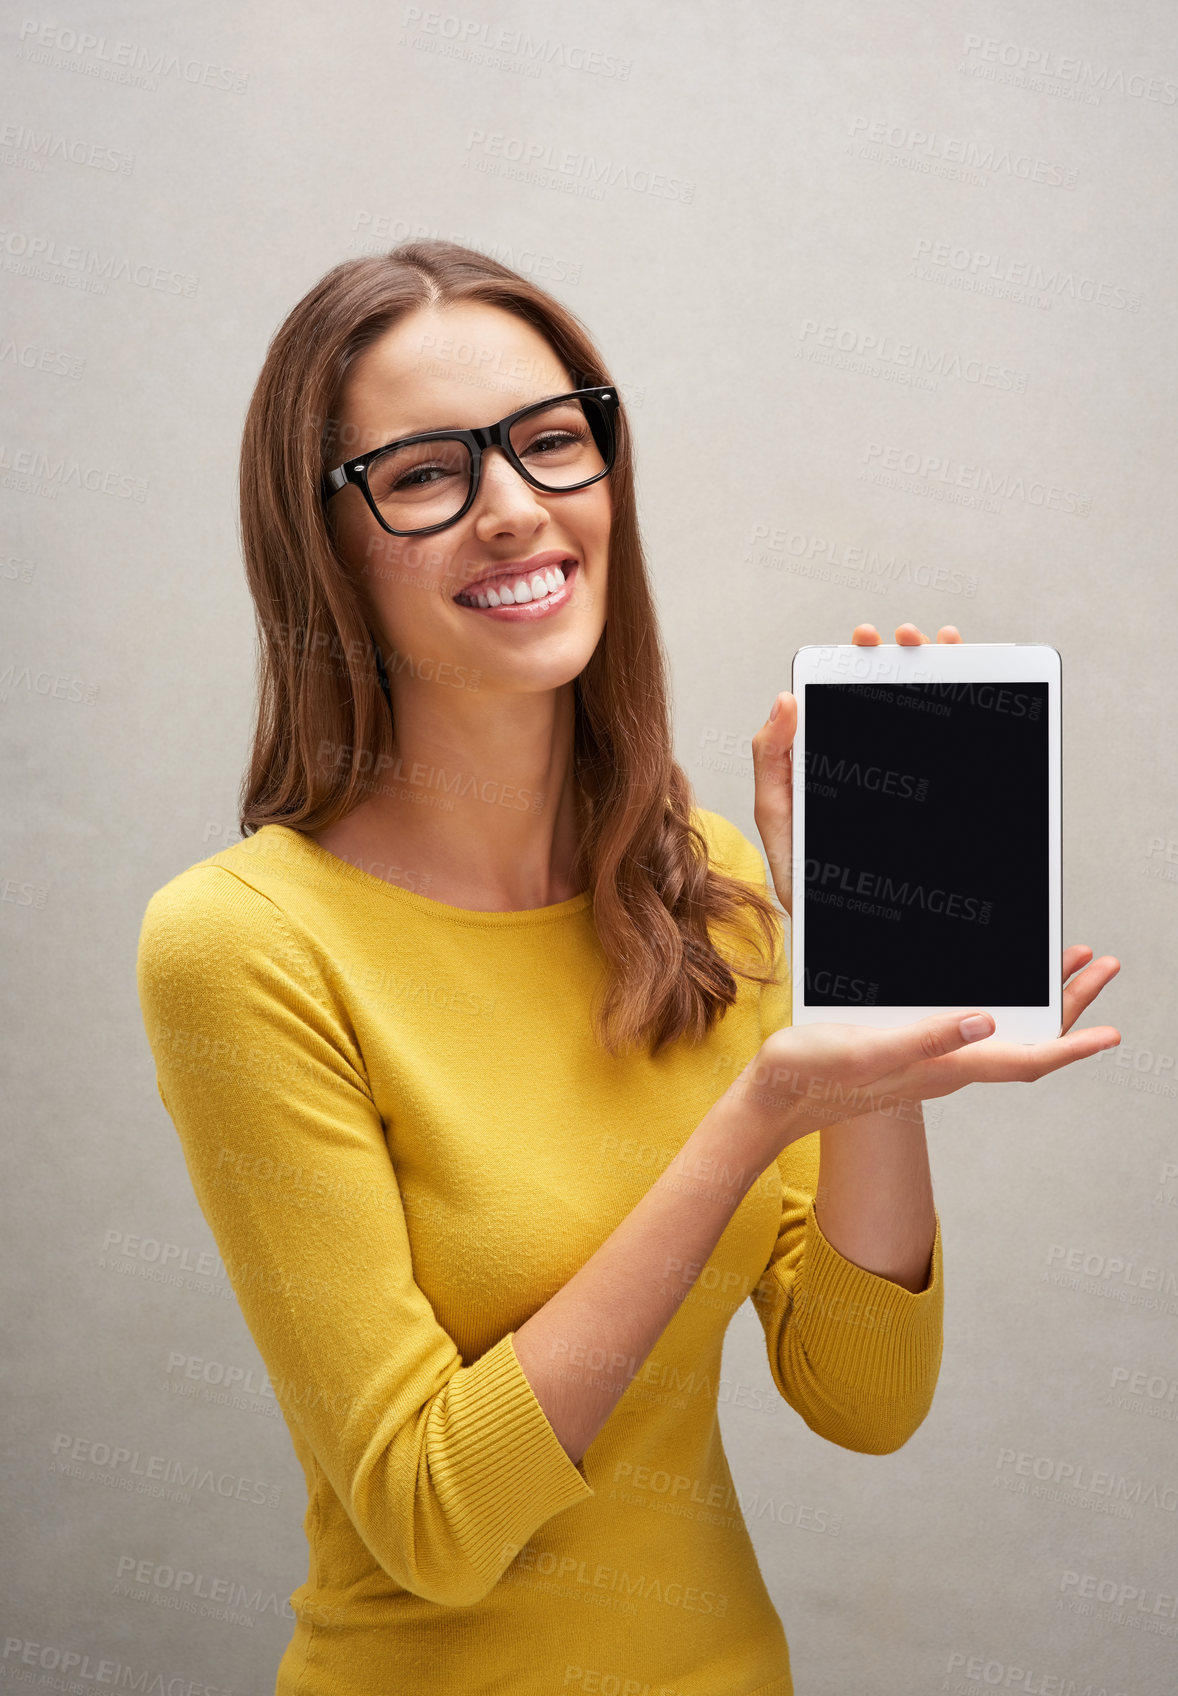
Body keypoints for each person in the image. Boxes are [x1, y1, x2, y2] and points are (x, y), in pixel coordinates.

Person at [135, 240, 1120, 1696]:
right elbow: (431, 1518)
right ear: (322, 539)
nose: (516, 509)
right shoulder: (246, 945)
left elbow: (861, 1397)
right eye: (424, 473)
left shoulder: (698, 887)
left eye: (551, 443)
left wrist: (859, 997)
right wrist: (753, 1116)